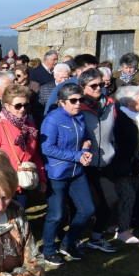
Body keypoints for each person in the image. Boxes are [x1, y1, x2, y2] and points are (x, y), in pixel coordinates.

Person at [39, 83, 95, 266]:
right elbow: (47, 148)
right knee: (56, 215)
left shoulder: (79, 117)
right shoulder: (52, 119)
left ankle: (68, 243)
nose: (78, 104)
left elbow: (84, 136)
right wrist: (77, 155)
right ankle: (48, 250)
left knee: (87, 209)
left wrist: (86, 147)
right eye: (73, 100)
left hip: (76, 171)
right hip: (57, 173)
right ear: (62, 102)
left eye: (81, 99)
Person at [0, 84, 47, 207]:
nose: (22, 109)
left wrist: (41, 178)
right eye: (18, 105)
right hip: (3, 183)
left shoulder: (30, 126)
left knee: (19, 215)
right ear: (6, 105)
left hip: (23, 180)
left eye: (25, 105)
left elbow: (34, 155)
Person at [77, 70, 119, 252]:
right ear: (83, 87)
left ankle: (96, 235)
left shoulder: (109, 104)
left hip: (106, 161)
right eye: (93, 85)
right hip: (84, 163)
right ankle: (74, 239)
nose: (98, 88)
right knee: (80, 205)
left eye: (101, 84)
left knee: (111, 199)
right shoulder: (77, 106)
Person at [111, 85, 139, 244]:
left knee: (131, 196)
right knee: (127, 195)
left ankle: (118, 224)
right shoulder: (120, 118)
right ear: (128, 101)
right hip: (124, 166)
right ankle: (123, 230)